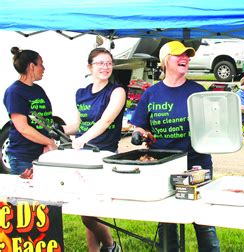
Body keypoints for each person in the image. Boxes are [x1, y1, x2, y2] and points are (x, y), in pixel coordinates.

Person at [129, 40, 220, 252]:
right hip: (164, 165)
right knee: (167, 219)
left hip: (196, 163)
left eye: (187, 56)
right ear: (164, 61)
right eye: (179, 55)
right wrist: (140, 133)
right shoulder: (152, 93)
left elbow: (214, 126)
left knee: (203, 218)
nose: (185, 59)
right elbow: (140, 125)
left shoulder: (198, 92)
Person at [63, 47, 125, 252]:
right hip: (82, 157)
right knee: (86, 208)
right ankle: (95, 250)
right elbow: (78, 125)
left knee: (88, 212)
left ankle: (109, 245)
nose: (105, 67)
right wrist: (56, 130)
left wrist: (83, 139)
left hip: (103, 156)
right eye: (100, 63)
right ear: (89, 67)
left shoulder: (116, 91)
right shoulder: (81, 94)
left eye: (108, 63)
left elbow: (106, 121)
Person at [3, 47, 58, 175]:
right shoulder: (14, 92)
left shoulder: (38, 89)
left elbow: (44, 121)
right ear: (31, 66)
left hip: (42, 153)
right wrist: (49, 142)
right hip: (23, 157)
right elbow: (23, 128)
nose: (44, 68)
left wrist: (47, 142)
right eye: (41, 64)